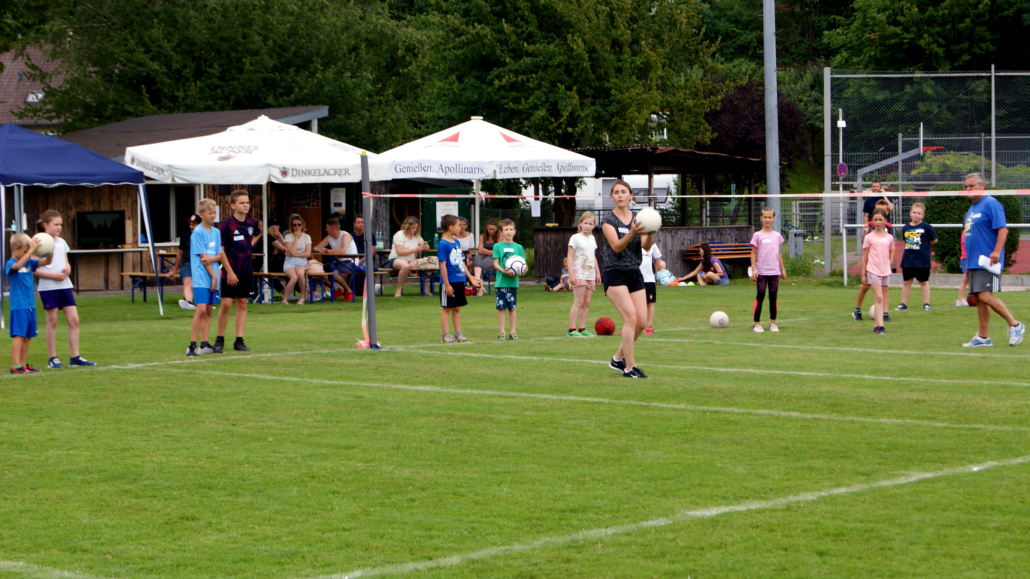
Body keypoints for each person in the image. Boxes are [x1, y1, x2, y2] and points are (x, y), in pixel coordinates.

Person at [960, 172, 1024, 347]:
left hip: (989, 260)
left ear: (982, 186)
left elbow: (1003, 230)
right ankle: (983, 337)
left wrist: (996, 251)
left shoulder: (991, 203)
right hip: (974, 262)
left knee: (985, 296)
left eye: (971, 186)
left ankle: (1015, 325)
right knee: (980, 299)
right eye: (966, 186)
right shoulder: (972, 209)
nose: (968, 189)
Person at [601, 179, 653, 378]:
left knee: (641, 322)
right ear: (612, 197)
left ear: (630, 196)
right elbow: (616, 247)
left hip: (634, 272)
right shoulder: (608, 220)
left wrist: (651, 231)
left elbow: (646, 246)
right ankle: (629, 368)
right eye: (616, 192)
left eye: (624, 192)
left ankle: (617, 359)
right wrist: (632, 231)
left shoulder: (638, 218)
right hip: (614, 272)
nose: (620, 195)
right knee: (630, 318)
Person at [33, 210, 96, 368]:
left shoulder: (61, 242)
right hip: (48, 287)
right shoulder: (38, 241)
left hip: (65, 286)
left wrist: (67, 269)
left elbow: (66, 262)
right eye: (56, 224)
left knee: (74, 320)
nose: (59, 227)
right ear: (46, 225)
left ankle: (75, 357)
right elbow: (33, 268)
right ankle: (52, 359)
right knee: (52, 321)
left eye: (60, 224)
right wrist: (53, 276)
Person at [187, 198, 236, 356]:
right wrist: (214, 277)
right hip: (202, 277)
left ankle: (204, 344)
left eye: (214, 213)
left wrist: (214, 260)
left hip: (213, 274)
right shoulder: (198, 233)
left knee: (208, 310)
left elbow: (218, 255)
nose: (213, 215)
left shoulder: (216, 232)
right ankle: (192, 345)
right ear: (201, 214)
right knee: (201, 309)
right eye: (210, 213)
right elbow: (203, 258)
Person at [214, 190, 259, 353]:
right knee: (226, 304)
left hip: (246, 270)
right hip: (229, 270)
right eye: (242, 202)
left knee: (242, 303)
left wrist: (249, 246)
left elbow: (256, 235)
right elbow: (221, 250)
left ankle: (239, 340)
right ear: (233, 205)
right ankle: (219, 339)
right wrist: (229, 271)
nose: (246, 205)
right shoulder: (226, 224)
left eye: (247, 202)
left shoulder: (252, 223)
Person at [7, 233, 52, 373]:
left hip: (30, 305)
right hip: (19, 306)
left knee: (27, 336)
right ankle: (16, 366)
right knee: (19, 335)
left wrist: (50, 248)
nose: (28, 253)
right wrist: (31, 251)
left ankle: (23, 364)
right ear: (15, 249)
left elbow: (47, 262)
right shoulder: (11, 263)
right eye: (25, 251)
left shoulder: (27, 262)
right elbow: (17, 266)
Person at [438, 214, 482, 343]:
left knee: (456, 308)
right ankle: (445, 335)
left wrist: (471, 277)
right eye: (458, 225)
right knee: (447, 308)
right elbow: (443, 265)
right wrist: (446, 284)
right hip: (449, 282)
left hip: (459, 281)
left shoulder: (456, 242)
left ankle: (458, 334)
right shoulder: (443, 244)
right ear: (451, 227)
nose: (460, 228)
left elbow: (462, 262)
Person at [853, 198, 893, 321]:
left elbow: (891, 247)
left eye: (884, 209)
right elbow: (864, 243)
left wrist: (890, 262)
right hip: (871, 264)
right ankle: (857, 310)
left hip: (883, 266)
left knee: (884, 290)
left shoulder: (889, 229)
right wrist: (865, 233)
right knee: (865, 286)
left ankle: (884, 313)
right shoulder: (869, 227)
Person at [749, 206, 787, 333]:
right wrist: (753, 269)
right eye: (765, 217)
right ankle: (756, 324)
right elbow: (753, 253)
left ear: (774, 218)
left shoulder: (777, 235)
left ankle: (772, 323)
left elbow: (778, 253)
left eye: (770, 217)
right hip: (761, 272)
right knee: (760, 295)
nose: (767, 219)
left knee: (773, 297)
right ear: (761, 218)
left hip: (774, 272)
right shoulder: (757, 235)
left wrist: (782, 269)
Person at [896, 202, 937, 311]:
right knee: (906, 282)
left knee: (923, 282)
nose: (916, 215)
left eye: (919, 213)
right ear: (910, 213)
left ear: (922, 215)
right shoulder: (906, 227)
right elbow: (906, 240)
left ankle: (926, 304)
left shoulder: (926, 227)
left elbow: (934, 240)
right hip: (908, 260)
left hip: (922, 260)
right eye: (914, 212)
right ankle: (903, 304)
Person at [492, 218, 526, 341]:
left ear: (515, 231)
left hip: (513, 283)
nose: (509, 231)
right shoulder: (497, 246)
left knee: (512, 307)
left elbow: (522, 264)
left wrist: (524, 270)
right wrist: (503, 271)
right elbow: (495, 263)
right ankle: (502, 333)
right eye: (506, 229)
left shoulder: (519, 247)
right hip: (501, 282)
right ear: (501, 232)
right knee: (501, 308)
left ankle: (513, 332)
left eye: (511, 229)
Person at [567, 211, 600, 336]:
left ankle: (582, 328)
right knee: (578, 302)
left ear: (593, 226)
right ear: (580, 223)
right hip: (579, 273)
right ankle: (571, 330)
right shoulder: (575, 238)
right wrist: (571, 275)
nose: (587, 225)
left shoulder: (592, 238)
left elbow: (593, 256)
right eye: (585, 223)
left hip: (590, 274)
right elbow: (570, 256)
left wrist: (597, 272)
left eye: (590, 223)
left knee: (587, 302)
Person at [863, 208, 894, 335]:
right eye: (875, 220)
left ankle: (876, 325)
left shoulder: (889, 237)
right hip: (873, 270)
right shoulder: (869, 237)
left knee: (883, 296)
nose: (878, 222)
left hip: (885, 270)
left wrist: (890, 263)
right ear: (872, 221)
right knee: (879, 297)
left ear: (885, 221)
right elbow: (865, 257)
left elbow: (891, 250)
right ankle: (881, 326)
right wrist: (863, 275)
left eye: (880, 219)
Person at [313, 217, 359, 301]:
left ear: (333, 228)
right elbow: (315, 248)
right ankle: (336, 290)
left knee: (334, 273)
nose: (325, 229)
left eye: (327, 227)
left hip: (350, 262)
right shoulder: (329, 237)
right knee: (315, 272)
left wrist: (326, 250)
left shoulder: (345, 235)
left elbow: (342, 251)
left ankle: (349, 292)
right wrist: (319, 249)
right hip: (336, 262)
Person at [387, 216, 428, 297]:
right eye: (413, 227)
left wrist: (425, 246)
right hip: (396, 259)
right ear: (408, 226)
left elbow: (425, 244)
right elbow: (400, 251)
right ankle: (398, 291)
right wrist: (415, 250)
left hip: (411, 260)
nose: (415, 229)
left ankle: (425, 290)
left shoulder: (417, 235)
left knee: (428, 264)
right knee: (405, 266)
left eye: (416, 227)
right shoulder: (399, 234)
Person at [279, 214, 312, 305]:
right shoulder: (288, 236)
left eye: (299, 224)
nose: (297, 227)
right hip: (289, 261)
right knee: (294, 277)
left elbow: (307, 253)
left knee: (301, 274)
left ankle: (302, 297)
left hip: (302, 261)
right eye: (294, 225)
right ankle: (284, 299)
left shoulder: (307, 237)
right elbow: (291, 250)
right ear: (291, 226)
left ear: (302, 225)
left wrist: (295, 254)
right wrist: (296, 238)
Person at [171, 214, 201, 310]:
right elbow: (179, 255)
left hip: (201, 264)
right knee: (187, 281)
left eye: (194, 224)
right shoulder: (184, 236)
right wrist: (174, 270)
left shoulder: (204, 236)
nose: (191, 226)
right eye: (190, 224)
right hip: (187, 263)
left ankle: (201, 302)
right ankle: (188, 303)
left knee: (200, 283)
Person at [639, 242, 662, 335]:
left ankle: (649, 327)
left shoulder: (652, 244)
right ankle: (629, 326)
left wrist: (653, 274)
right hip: (635, 279)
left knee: (649, 303)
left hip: (649, 280)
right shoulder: (633, 242)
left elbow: (657, 261)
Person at [473, 219, 500, 296]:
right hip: (482, 256)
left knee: (478, 266)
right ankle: (478, 284)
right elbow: (479, 251)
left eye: (493, 230)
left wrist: (484, 249)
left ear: (496, 229)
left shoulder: (499, 237)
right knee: (476, 258)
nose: (491, 231)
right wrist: (490, 251)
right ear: (486, 228)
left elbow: (497, 253)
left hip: (493, 258)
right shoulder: (483, 236)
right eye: (489, 229)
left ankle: (478, 287)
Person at [956, 233, 970, 307]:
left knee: (967, 279)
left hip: (967, 258)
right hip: (967, 258)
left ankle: (961, 300)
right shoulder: (966, 232)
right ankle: (960, 300)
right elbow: (967, 246)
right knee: (966, 279)